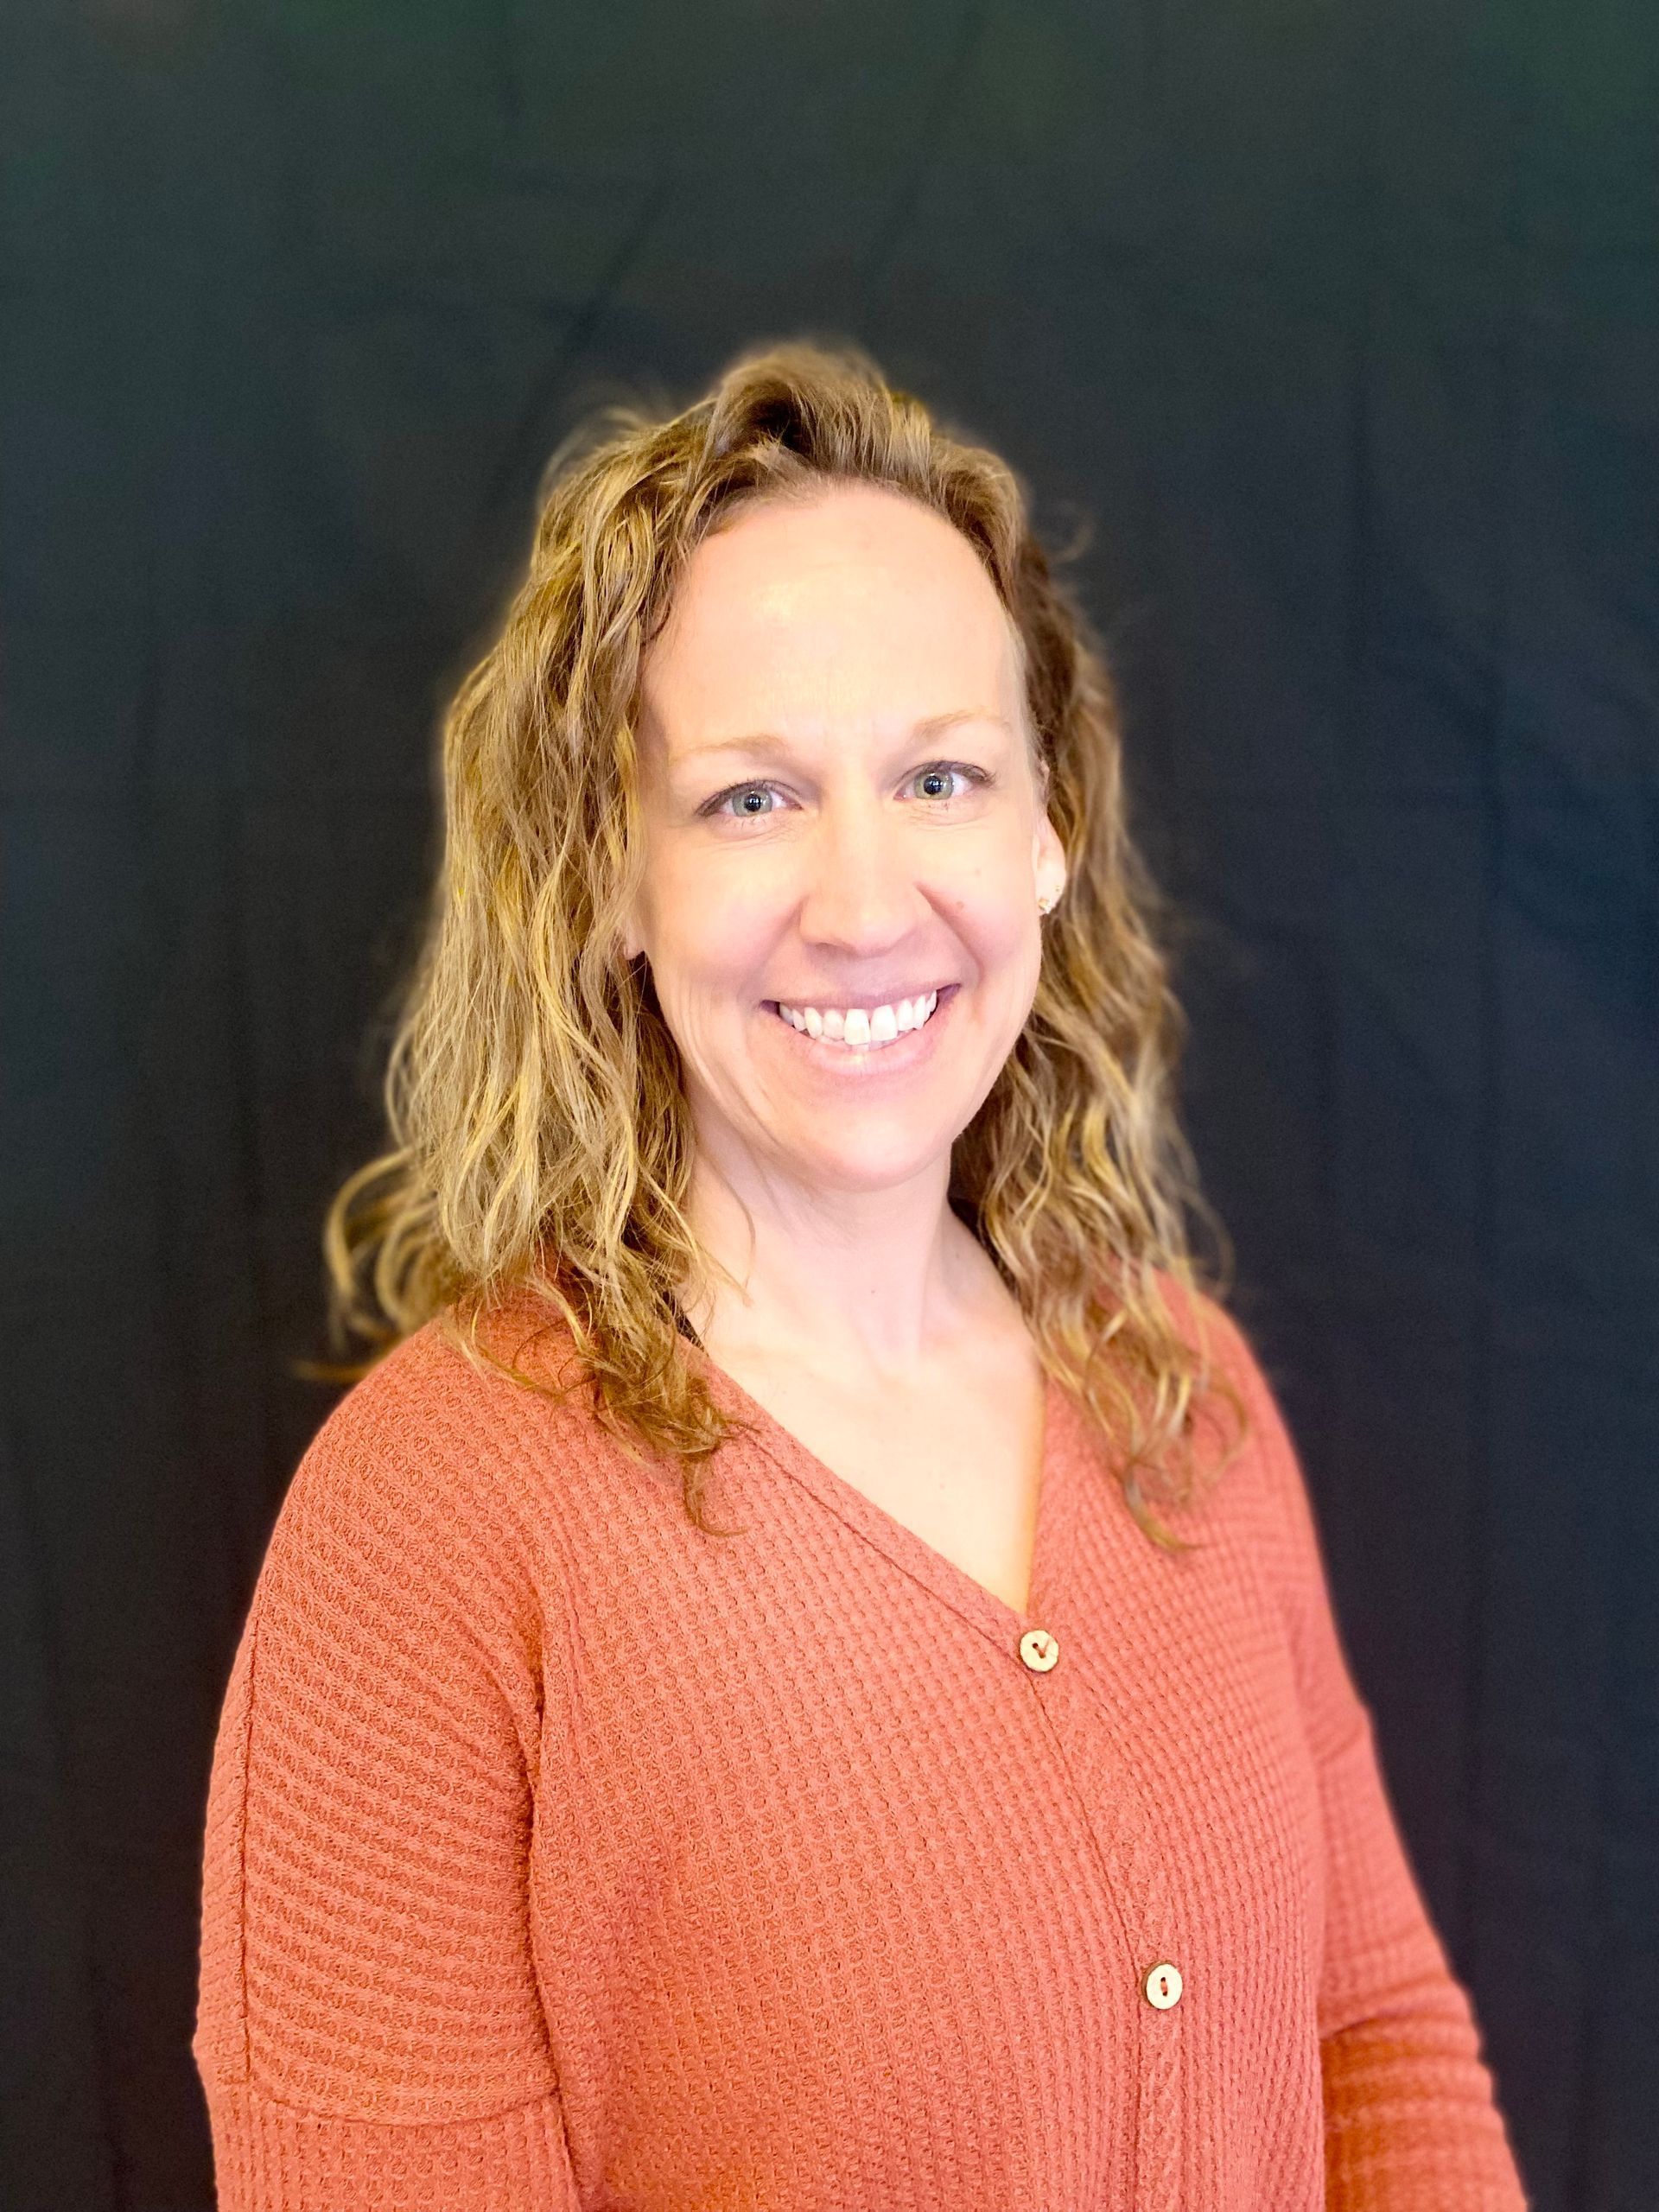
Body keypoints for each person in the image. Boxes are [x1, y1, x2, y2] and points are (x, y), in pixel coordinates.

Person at [191, 340, 1529, 2209]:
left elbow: (1374, 2035)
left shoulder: (1182, 1386)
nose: (866, 898)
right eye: (751, 798)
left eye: (941, 776)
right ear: (606, 878)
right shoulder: (429, 1526)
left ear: (1046, 829)